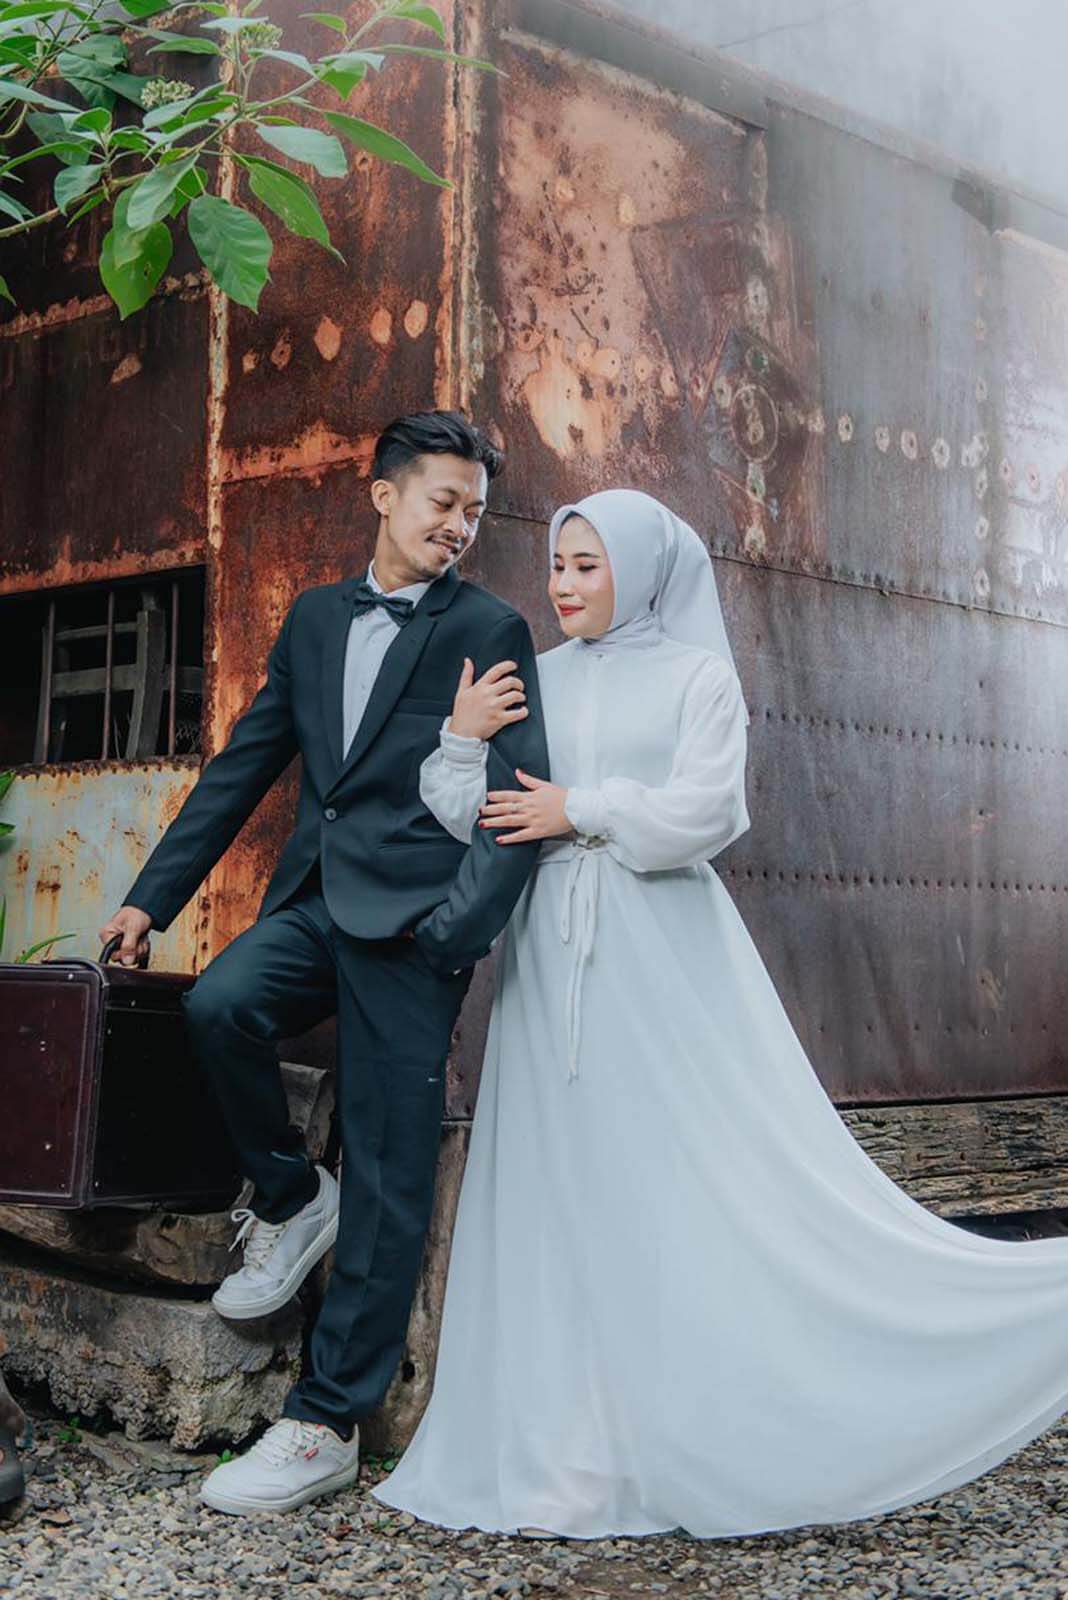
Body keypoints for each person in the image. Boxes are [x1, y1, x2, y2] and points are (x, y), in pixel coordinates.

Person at [374, 488, 1068, 1540]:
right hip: (549, 959)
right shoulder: (538, 679)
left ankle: (694, 1422)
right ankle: (569, 1442)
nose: (563, 585)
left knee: (674, 1177)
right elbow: (483, 816)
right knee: (562, 1179)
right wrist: (464, 742)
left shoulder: (698, 677)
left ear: (642, 571)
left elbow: (711, 811)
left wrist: (583, 807)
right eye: (558, 564)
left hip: (659, 953)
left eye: (588, 566)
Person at [97, 411, 549, 1517]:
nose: (459, 525)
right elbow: (245, 766)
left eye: (474, 511)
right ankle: (296, 1197)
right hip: (313, 905)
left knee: (392, 1173)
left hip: (415, 933)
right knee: (220, 1004)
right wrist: (151, 899)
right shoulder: (312, 619)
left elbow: (518, 805)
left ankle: (326, 1422)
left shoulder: (489, 626)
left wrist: (452, 937)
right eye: (442, 501)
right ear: (384, 495)